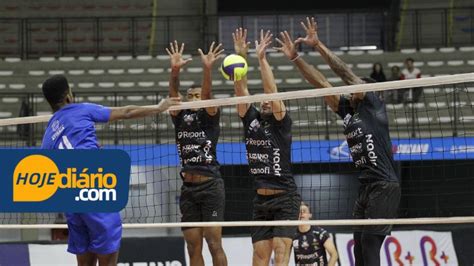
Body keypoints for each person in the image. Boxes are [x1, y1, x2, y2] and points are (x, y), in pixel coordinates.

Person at [275, 17, 401, 266]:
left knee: (369, 246)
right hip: (365, 186)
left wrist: (318, 45)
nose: (354, 87)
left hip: (384, 185)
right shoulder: (348, 111)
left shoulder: (374, 107)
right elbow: (321, 84)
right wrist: (295, 58)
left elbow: (345, 74)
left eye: (360, 85)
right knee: (358, 251)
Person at [41, 74, 179, 266]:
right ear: (68, 97)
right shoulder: (81, 109)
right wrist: (158, 108)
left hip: (70, 199)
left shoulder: (48, 134)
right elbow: (127, 112)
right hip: (92, 190)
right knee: (108, 257)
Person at [233, 28, 301, 266]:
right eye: (260, 99)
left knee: (282, 256)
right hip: (260, 201)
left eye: (267, 100)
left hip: (285, 198)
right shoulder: (250, 119)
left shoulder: (282, 123)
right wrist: (241, 57)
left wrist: (261, 58)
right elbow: (241, 93)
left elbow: (271, 92)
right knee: (259, 259)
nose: (264, 100)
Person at [166, 40, 228, 266]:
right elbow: (173, 94)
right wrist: (175, 70)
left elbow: (209, 94)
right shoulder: (180, 117)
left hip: (210, 185)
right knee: (193, 246)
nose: (193, 98)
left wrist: (207, 68)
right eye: (190, 95)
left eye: (197, 95)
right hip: (188, 188)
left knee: (214, 243)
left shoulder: (209, 115)